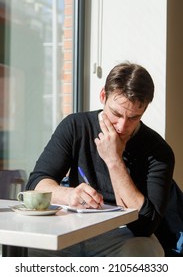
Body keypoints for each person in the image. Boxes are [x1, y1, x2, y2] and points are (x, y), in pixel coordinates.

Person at [26, 62, 175, 257]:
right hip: (73, 229)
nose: (122, 126)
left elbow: (144, 225)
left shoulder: (158, 152)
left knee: (142, 254)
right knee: (29, 251)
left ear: (144, 110)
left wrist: (114, 160)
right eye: (116, 114)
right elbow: (36, 184)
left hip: (125, 236)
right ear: (103, 96)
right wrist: (69, 195)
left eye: (133, 118)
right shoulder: (75, 126)